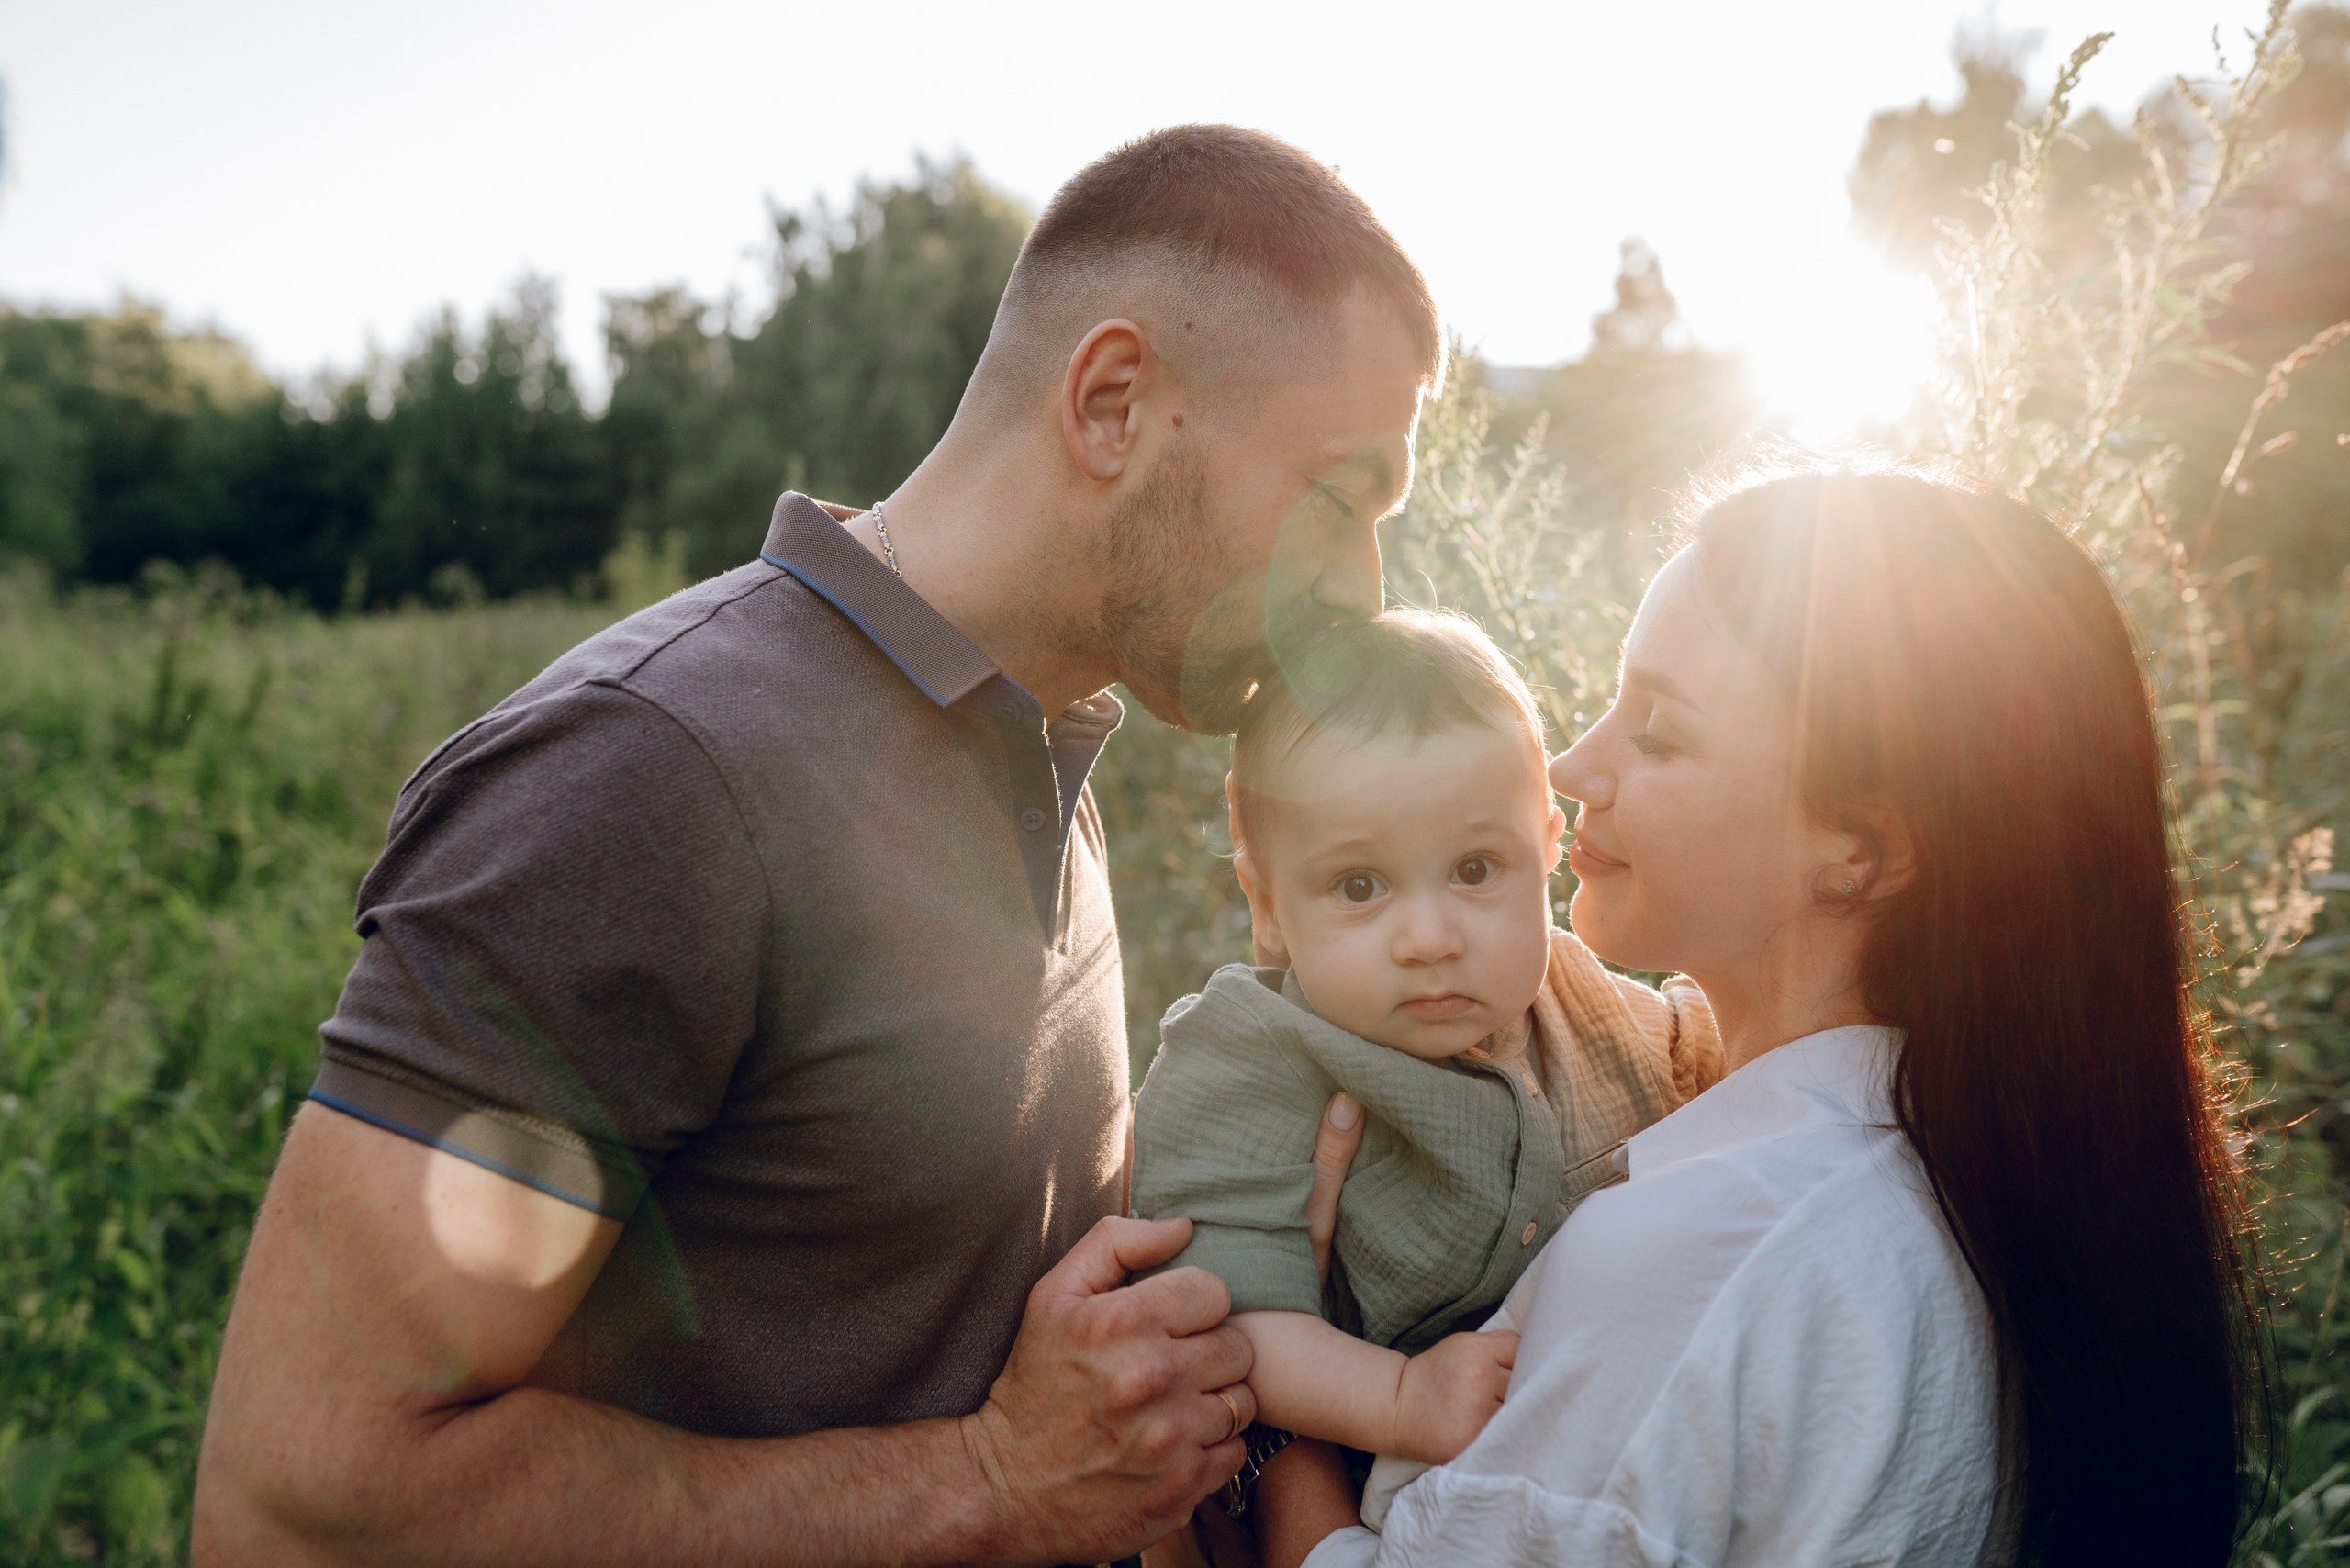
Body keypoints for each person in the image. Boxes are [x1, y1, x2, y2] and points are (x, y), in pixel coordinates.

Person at [192, 124, 1445, 1568]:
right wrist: (990, 1480)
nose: (1362, 590)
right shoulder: (645, 775)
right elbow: (311, 1494)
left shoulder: (1043, 748)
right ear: (1112, 404)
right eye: (1339, 499)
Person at [1259, 463, 2266, 1568]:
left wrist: (1271, 1372)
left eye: (1658, 731)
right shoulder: (2003, 1177)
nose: (1572, 765)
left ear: (1863, 848)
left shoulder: (1700, 1253)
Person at [1130, 610, 1717, 1467]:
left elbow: (1712, 1057)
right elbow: (1223, 1310)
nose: (1430, 938)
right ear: (1268, 905)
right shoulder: (1254, 1055)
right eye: (1359, 886)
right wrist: (1398, 1398)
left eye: (1475, 870)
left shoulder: (1578, 995)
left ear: (1547, 853)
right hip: (1392, 1477)